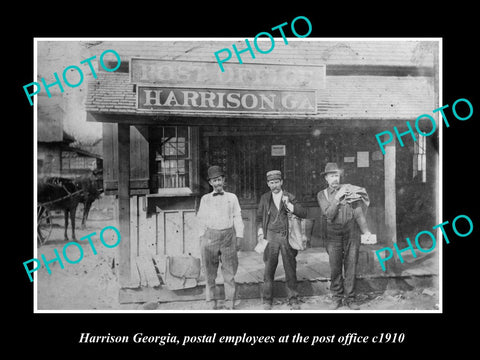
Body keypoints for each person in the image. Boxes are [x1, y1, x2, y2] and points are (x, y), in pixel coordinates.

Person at [317, 162, 371, 310]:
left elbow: (359, 214)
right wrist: (337, 198)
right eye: (332, 176)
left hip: (351, 232)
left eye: (337, 175)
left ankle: (351, 298)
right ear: (326, 178)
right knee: (335, 267)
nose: (335, 178)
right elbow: (329, 214)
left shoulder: (350, 190)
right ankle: (337, 297)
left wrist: (366, 231)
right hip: (332, 234)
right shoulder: (322, 194)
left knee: (351, 265)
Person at [256, 170, 307, 310]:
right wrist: (260, 233)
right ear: (268, 184)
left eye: (277, 182)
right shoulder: (264, 198)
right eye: (271, 183)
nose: (274, 185)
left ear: (281, 182)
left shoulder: (289, 196)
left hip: (286, 236)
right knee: (269, 269)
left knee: (290, 268)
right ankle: (267, 300)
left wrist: (289, 205)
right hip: (270, 236)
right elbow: (259, 218)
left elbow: (303, 213)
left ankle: (293, 299)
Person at [197, 165, 244, 310]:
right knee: (210, 272)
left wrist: (240, 236)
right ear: (210, 183)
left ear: (223, 180)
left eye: (219, 180)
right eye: (214, 181)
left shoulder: (232, 197)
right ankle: (211, 301)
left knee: (229, 272)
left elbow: (237, 216)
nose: (217, 183)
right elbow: (201, 219)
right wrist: (201, 237)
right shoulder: (205, 199)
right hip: (210, 237)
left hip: (228, 237)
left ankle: (230, 302)